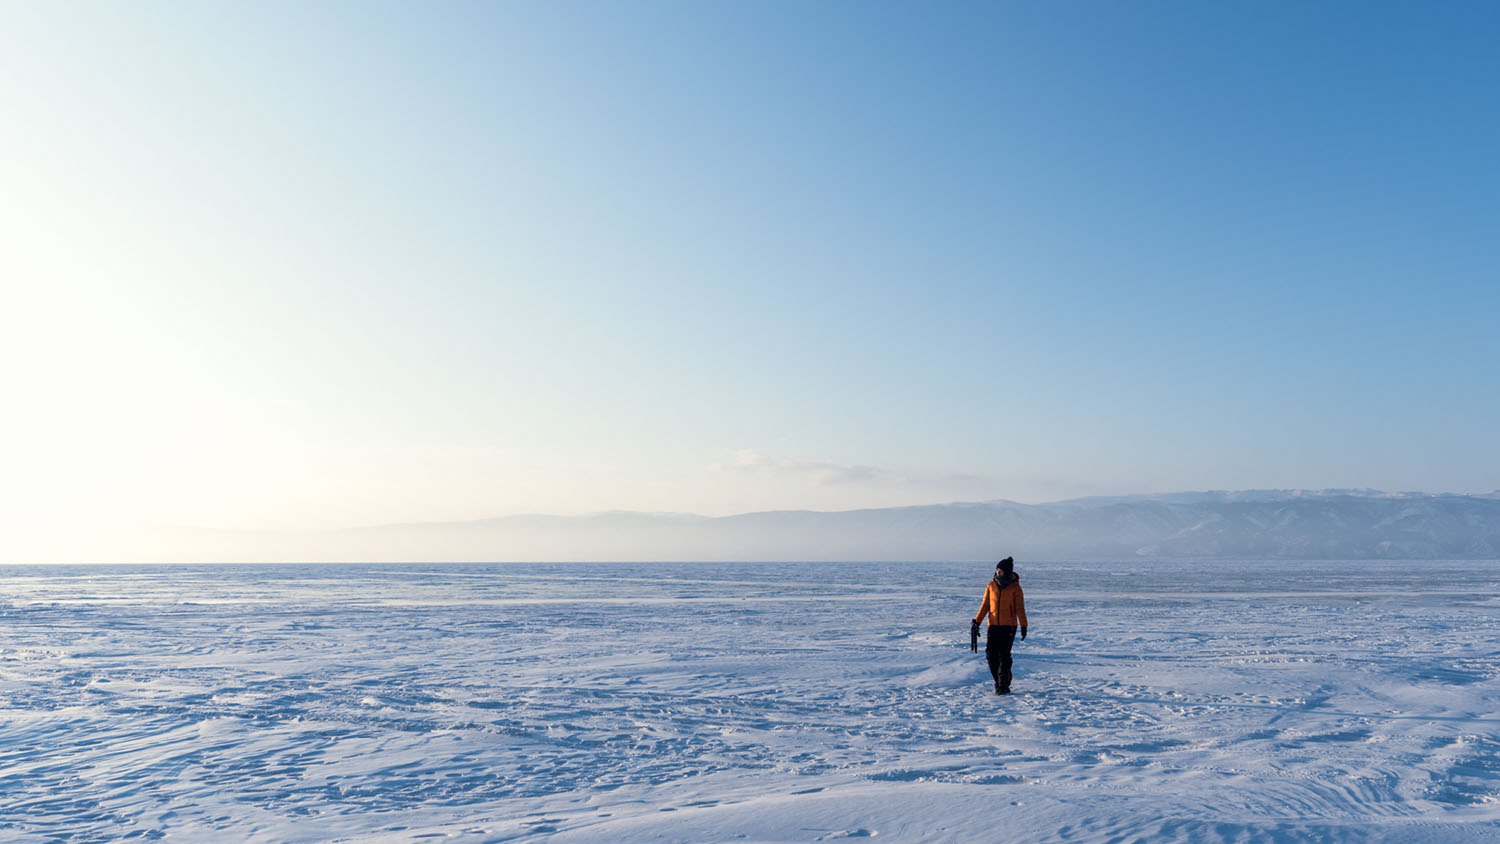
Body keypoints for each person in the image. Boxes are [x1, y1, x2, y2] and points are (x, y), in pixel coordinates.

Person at [970, 556, 1028, 695]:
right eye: (997, 570)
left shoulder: (1015, 588)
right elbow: (985, 606)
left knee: (1003, 655)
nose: (997, 572)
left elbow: (1020, 609)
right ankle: (1000, 681)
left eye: (1000, 570)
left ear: (1006, 572)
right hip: (993, 625)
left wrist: (1023, 625)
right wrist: (977, 621)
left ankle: (1003, 685)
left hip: (1009, 626)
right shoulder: (991, 586)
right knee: (990, 655)